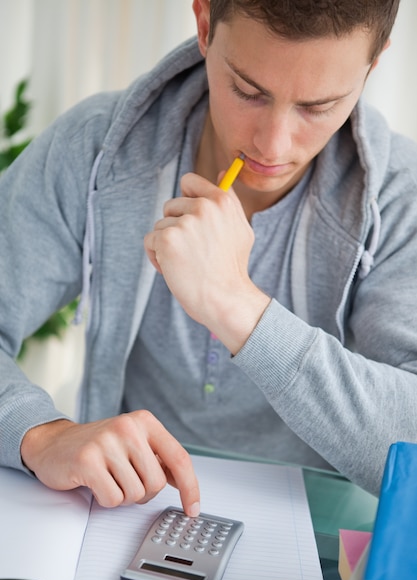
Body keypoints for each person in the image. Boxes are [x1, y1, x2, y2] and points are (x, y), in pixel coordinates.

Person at [1, 0, 415, 516]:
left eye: (318, 106)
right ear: (203, 25)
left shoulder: (400, 198)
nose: (273, 143)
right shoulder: (95, 149)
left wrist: (236, 306)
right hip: (128, 513)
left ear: (372, 66)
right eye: (248, 90)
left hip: (321, 538)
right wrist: (39, 433)